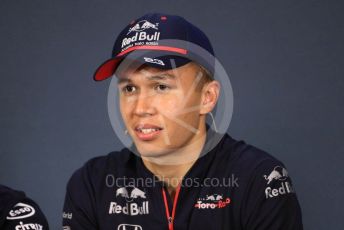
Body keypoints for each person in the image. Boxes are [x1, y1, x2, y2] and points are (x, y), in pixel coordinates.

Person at [63, 13, 303, 230]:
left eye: (161, 86)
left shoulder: (259, 179)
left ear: (207, 98)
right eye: (129, 88)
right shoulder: (91, 184)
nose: (140, 108)